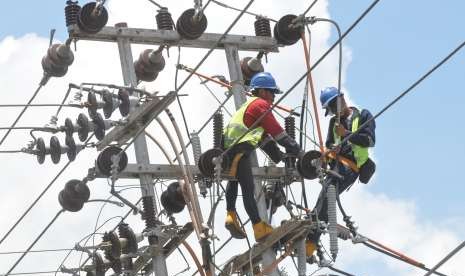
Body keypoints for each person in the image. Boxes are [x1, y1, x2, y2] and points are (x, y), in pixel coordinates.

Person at [223, 72, 301, 241]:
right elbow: (279, 135)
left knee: (234, 181)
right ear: (263, 91)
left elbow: (264, 138)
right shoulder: (261, 106)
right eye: (272, 92)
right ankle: (258, 226)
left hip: (227, 148)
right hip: (240, 148)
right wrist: (300, 152)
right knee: (248, 188)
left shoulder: (248, 105)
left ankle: (230, 214)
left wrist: (281, 157)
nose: (273, 97)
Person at [305, 87, 376, 256]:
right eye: (329, 110)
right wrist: (332, 149)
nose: (332, 113)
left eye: (331, 107)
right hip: (336, 165)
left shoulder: (363, 116)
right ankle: (311, 238)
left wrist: (347, 134)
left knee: (326, 197)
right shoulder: (333, 123)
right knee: (324, 197)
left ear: (341, 100)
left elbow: (369, 140)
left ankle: (311, 241)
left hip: (350, 167)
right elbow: (330, 143)